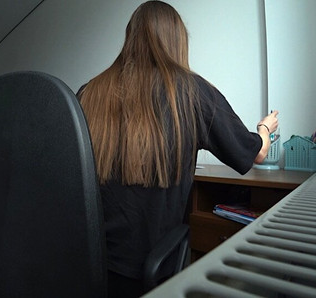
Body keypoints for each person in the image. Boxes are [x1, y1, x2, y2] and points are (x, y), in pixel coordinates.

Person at [77, 1, 278, 297]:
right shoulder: (192, 92)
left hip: (88, 264)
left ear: (130, 38)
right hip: (148, 272)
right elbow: (253, 154)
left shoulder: (89, 92)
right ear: (177, 42)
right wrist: (265, 129)